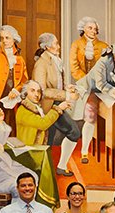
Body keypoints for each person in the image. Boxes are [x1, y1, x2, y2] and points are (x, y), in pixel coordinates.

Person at [75, 42, 115, 163]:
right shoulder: (103, 62)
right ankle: (84, 151)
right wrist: (114, 91)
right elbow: (100, 84)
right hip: (91, 89)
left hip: (106, 92)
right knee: (91, 118)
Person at [31, 32, 82, 177]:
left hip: (56, 103)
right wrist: (66, 95)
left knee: (50, 139)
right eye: (56, 44)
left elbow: (57, 83)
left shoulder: (56, 60)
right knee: (73, 132)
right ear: (47, 47)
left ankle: (55, 168)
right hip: (47, 106)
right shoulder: (41, 63)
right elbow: (41, 90)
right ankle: (51, 169)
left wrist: (67, 88)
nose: (58, 47)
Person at [15, 80, 72, 146]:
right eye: (32, 90)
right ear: (25, 93)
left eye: (38, 91)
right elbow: (43, 124)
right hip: (27, 152)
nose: (36, 94)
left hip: (35, 150)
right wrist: (58, 109)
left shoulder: (36, 108)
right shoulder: (23, 111)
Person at [69, 16, 108, 82]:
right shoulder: (76, 44)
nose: (93, 31)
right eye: (90, 28)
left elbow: (107, 67)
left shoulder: (104, 46)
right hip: (81, 81)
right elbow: (74, 67)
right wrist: (86, 80)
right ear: (83, 29)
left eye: (95, 29)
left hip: (100, 82)